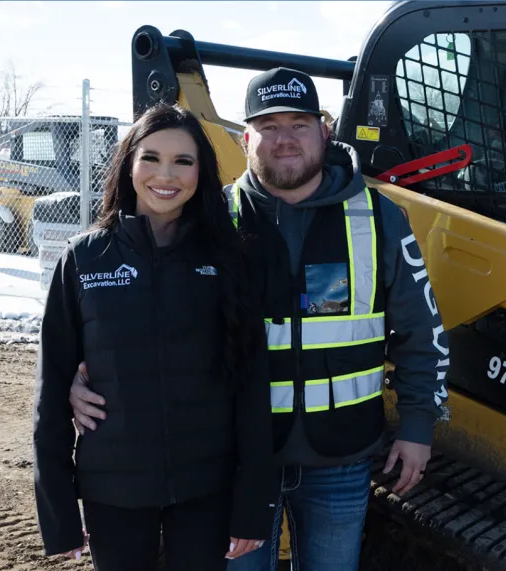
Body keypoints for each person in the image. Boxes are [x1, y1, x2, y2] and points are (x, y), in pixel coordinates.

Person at [67, 67, 451, 571]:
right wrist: (81, 372)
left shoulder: (379, 218)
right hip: (233, 460)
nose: (284, 139)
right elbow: (134, 308)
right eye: (268, 126)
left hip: (339, 456)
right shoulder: (208, 220)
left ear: (325, 132)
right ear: (246, 139)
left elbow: (421, 330)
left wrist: (418, 424)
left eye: (299, 124)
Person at [32, 103, 278, 570]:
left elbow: (252, 387)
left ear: (201, 172)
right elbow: (51, 391)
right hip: (113, 490)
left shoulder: (228, 258)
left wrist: (252, 504)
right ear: (128, 164)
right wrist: (58, 511)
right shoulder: (84, 259)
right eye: (151, 157)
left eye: (183, 161)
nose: (166, 175)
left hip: (206, 489)